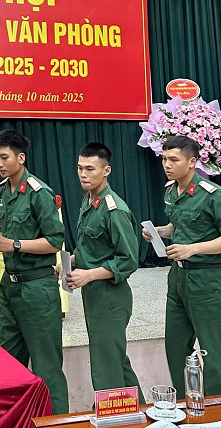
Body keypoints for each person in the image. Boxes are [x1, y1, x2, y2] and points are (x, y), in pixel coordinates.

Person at [142, 135, 221, 399]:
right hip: (178, 278)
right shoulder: (170, 190)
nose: (167, 165)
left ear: (192, 162)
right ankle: (184, 402)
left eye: (174, 159)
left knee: (212, 347)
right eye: (164, 159)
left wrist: (192, 249)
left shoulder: (213, 195)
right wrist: (160, 232)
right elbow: (179, 225)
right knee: (176, 346)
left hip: (206, 278)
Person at [0, 129, 69, 414]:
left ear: (20, 158)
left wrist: (14, 244)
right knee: (7, 362)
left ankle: (58, 419)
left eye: (4, 157)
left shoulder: (38, 193)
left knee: (47, 366)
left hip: (37, 287)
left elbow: (54, 241)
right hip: (11, 286)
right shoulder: (1, 191)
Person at [66, 142, 144, 401]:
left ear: (106, 170)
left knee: (105, 367)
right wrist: (71, 262)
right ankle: (141, 413)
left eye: (90, 169)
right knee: (114, 361)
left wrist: (89, 274)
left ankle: (113, 416)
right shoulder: (90, 200)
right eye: (80, 168)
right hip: (94, 293)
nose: (83, 174)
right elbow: (92, 248)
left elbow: (128, 260)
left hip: (110, 296)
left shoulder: (115, 209)